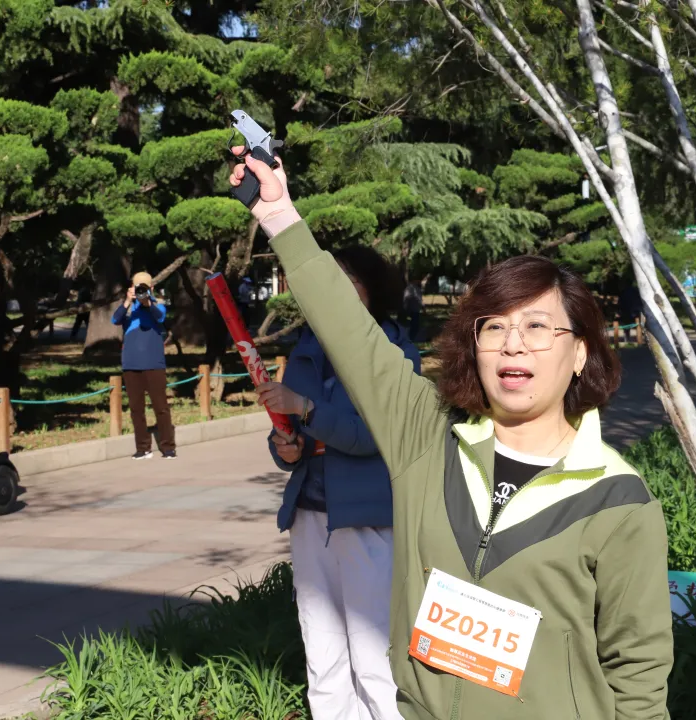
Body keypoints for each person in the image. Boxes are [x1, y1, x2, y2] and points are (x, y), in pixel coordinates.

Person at [231, 151, 672, 720]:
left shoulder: (618, 499)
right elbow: (351, 333)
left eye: (537, 326)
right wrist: (278, 214)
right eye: (494, 327)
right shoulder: (427, 438)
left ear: (580, 352)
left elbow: (638, 676)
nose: (513, 344)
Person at [256, 245, 420, 720]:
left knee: (374, 652)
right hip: (310, 513)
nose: (336, 291)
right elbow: (290, 435)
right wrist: (286, 446)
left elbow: (375, 436)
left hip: (369, 517)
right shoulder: (306, 349)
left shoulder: (394, 351)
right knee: (322, 649)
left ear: (373, 289)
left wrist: (306, 409)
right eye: (328, 281)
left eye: (348, 280)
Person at [112, 272, 176, 460]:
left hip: (154, 363)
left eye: (144, 287)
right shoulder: (129, 308)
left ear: (151, 288)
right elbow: (115, 320)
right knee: (136, 409)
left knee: (161, 407)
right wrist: (127, 301)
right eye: (137, 287)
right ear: (131, 288)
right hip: (131, 363)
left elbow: (160, 317)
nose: (140, 291)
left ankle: (168, 447)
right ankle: (143, 448)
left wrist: (147, 301)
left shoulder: (158, 305)